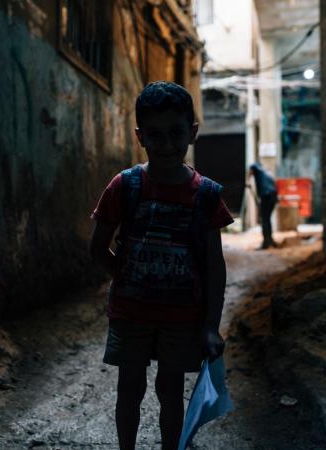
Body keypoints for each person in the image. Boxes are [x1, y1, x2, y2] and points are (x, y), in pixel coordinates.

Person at [90, 81, 234, 450]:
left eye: (176, 133)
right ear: (140, 137)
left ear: (193, 133)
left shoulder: (206, 196)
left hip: (181, 319)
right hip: (131, 314)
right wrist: (125, 282)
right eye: (155, 135)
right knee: (130, 388)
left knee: (170, 391)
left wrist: (210, 328)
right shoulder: (126, 186)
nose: (166, 144)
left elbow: (215, 269)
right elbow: (97, 248)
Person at [248, 162, 278, 249]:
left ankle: (266, 243)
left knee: (264, 219)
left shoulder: (255, 168)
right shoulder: (265, 171)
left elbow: (250, 170)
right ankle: (270, 241)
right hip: (273, 195)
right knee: (267, 219)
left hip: (266, 196)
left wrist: (247, 181)